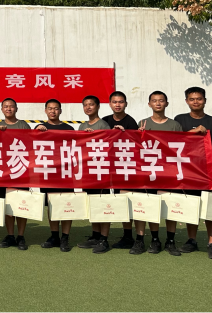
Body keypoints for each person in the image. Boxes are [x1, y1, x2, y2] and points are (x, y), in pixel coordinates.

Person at [174, 86, 212, 260]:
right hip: (189, 172)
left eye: (199, 98)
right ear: (186, 101)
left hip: (209, 173)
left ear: (204, 100)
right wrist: (193, 132)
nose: (195, 102)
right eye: (192, 99)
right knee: (191, 207)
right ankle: (192, 240)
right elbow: (173, 141)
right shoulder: (179, 120)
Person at [133, 91, 184, 256]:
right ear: (149, 104)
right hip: (149, 172)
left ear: (166, 103)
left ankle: (171, 240)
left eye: (161, 100)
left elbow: (182, 147)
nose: (158, 103)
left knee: (171, 205)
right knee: (150, 205)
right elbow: (136, 149)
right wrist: (139, 135)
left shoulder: (175, 125)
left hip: (169, 172)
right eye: (154, 101)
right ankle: (154, 239)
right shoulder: (143, 123)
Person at [34, 99, 75, 252]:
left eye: (56, 108)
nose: (53, 111)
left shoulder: (69, 129)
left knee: (66, 204)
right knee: (51, 205)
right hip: (48, 173)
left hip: (65, 173)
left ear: (60, 111)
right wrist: (36, 131)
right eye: (50, 108)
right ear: (45, 111)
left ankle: (65, 237)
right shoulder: (40, 128)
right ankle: (54, 236)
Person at [0, 97, 31, 251]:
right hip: (4, 172)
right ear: (2, 109)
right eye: (6, 106)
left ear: (16, 109)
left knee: (22, 204)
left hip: (22, 171)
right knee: (8, 205)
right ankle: (10, 235)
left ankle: (21, 236)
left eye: (11, 106)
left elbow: (31, 144)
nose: (8, 109)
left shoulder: (23, 125)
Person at [101, 91, 138, 250]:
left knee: (125, 200)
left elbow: (136, 144)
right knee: (104, 199)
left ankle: (128, 235)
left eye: (121, 102)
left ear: (126, 104)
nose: (118, 104)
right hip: (105, 167)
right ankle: (99, 235)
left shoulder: (131, 122)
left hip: (124, 167)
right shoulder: (104, 121)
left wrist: (125, 133)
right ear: (110, 104)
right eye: (115, 102)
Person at [76, 95, 112, 254]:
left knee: (103, 204)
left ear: (98, 106)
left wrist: (94, 136)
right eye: (85, 105)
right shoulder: (82, 125)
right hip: (88, 171)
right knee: (92, 204)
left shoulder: (103, 124)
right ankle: (95, 235)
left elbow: (109, 145)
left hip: (101, 171)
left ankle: (104, 238)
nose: (88, 107)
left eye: (91, 104)